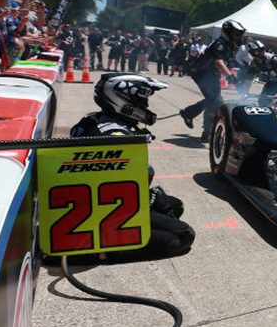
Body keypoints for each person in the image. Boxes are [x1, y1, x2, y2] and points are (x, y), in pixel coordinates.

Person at [71, 74, 195, 262]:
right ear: (122, 100)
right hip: (100, 211)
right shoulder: (117, 135)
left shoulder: (94, 120)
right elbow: (130, 182)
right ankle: (101, 251)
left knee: (173, 205)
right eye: (141, 101)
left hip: (90, 199)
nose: (145, 106)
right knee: (183, 234)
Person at [180, 19, 244, 142]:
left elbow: (226, 63)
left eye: (239, 34)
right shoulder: (219, 43)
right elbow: (219, 62)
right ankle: (206, 132)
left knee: (213, 101)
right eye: (236, 34)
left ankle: (190, 114)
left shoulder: (229, 45)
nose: (238, 37)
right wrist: (231, 78)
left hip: (211, 74)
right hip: (202, 73)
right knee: (215, 102)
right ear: (228, 32)